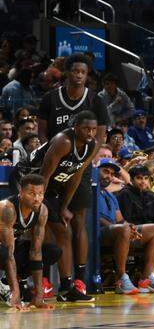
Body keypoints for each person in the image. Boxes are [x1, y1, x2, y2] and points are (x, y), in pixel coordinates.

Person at [36, 53, 110, 296]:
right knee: (44, 220)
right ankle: (43, 279)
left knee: (76, 222)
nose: (79, 75)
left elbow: (99, 138)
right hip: (52, 163)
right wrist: (58, 157)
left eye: (84, 72)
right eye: (75, 71)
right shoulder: (50, 99)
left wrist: (83, 160)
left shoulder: (95, 101)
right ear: (67, 72)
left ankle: (79, 280)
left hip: (80, 166)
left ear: (87, 76)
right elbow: (42, 135)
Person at [15, 109, 99, 302]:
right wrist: (36, 204)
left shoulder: (91, 145)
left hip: (50, 187)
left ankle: (67, 287)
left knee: (64, 231)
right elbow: (43, 175)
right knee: (41, 231)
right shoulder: (64, 142)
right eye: (86, 129)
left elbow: (75, 176)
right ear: (75, 127)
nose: (91, 133)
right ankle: (26, 284)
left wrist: (64, 206)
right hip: (28, 180)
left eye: (94, 129)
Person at [95, 159, 154, 294]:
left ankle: (146, 279)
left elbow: (121, 220)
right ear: (95, 171)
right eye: (105, 171)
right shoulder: (91, 191)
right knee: (124, 229)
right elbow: (93, 216)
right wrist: (121, 227)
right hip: (97, 232)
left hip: (117, 232)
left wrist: (131, 227)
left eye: (112, 174)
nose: (109, 176)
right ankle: (121, 279)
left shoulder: (110, 196)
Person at [0, 174, 56, 310]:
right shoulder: (7, 208)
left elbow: (35, 251)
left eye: (40, 193)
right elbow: (9, 254)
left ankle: (6, 283)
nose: (37, 198)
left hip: (8, 250)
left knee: (51, 252)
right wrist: (16, 295)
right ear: (21, 192)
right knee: (4, 252)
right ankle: (12, 290)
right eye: (31, 193)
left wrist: (39, 295)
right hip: (4, 250)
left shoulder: (42, 210)